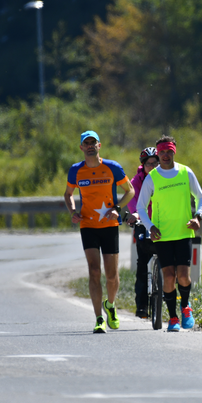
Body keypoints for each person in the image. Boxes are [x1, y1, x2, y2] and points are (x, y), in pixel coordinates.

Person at [64, 130, 135, 334]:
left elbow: (130, 190)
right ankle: (98, 319)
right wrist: (73, 211)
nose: (89, 146)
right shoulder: (76, 171)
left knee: (111, 275)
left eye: (93, 142)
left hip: (109, 225)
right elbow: (68, 193)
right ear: (81, 147)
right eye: (86, 143)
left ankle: (110, 306)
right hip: (88, 226)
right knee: (94, 271)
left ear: (99, 145)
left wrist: (117, 208)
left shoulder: (112, 167)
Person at [136, 135, 202, 332]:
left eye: (169, 151)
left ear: (174, 151)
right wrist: (150, 226)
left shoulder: (186, 172)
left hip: (184, 232)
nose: (165, 155)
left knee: (183, 276)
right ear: (157, 154)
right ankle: (173, 318)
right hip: (163, 236)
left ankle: (185, 307)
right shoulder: (152, 178)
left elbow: (201, 197)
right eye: (162, 152)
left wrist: (198, 217)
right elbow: (141, 207)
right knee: (168, 277)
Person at [125, 147, 159, 318]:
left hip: (163, 226)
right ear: (143, 166)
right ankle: (142, 306)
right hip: (143, 224)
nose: (152, 167)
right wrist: (136, 216)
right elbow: (135, 204)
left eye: (155, 163)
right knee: (142, 265)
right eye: (148, 164)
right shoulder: (136, 182)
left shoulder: (166, 177)